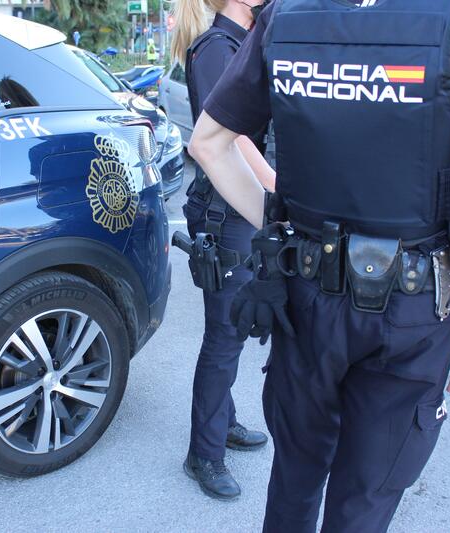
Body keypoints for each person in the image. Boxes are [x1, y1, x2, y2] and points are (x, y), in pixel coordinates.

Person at [189, 0, 450, 530]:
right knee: (365, 501)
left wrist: (284, 229)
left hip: (304, 297)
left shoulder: (285, 14)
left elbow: (208, 143)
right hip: (410, 313)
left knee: (292, 481)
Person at [171, 0, 275, 501]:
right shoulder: (216, 48)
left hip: (239, 208)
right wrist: (276, 189)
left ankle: (223, 421)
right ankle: (203, 453)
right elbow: (231, 140)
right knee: (224, 336)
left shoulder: (242, 43)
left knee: (231, 329)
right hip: (226, 212)